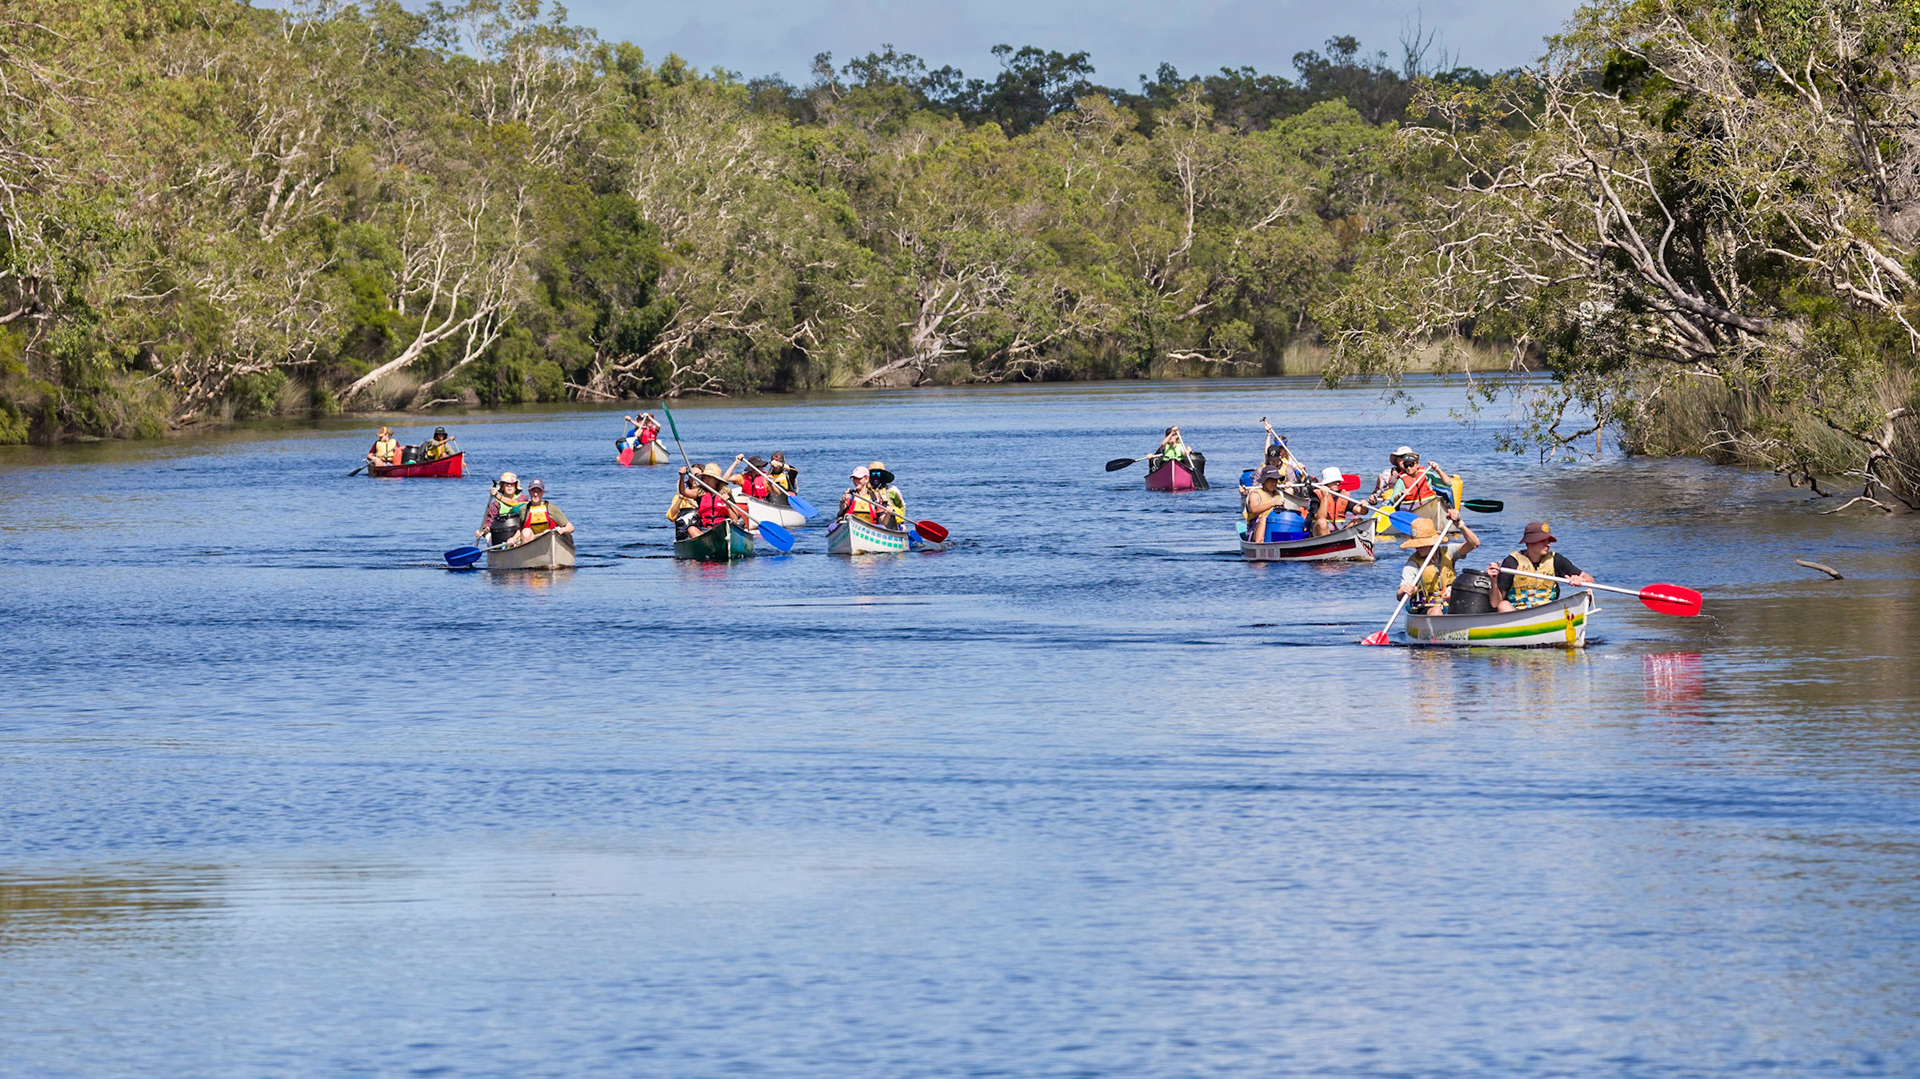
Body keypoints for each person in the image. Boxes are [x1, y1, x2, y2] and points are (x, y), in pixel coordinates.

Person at [1489, 521, 1593, 612]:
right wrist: (1494, 580)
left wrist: (1579, 580)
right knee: (1503, 606)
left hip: (1547, 611)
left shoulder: (1556, 560)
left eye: (1549, 541)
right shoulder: (1512, 562)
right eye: (1543, 540)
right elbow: (1495, 603)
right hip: (1517, 613)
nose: (1548, 544)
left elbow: (1590, 580)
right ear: (1529, 542)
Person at [1396, 509, 1480, 615]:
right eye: (1416, 544)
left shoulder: (1448, 552)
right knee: (1436, 611)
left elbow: (1474, 544)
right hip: (1426, 608)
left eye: (1421, 544)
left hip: (1451, 604)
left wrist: (1459, 524)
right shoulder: (1413, 563)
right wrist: (1404, 590)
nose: (1417, 547)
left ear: (1432, 543)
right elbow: (1399, 595)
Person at [686, 463, 750, 539]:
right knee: (691, 529)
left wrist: (727, 503)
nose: (706, 479)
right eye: (705, 477)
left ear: (716, 480)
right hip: (706, 530)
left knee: (725, 526)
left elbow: (735, 520)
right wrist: (682, 476)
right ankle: (707, 543)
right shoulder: (701, 494)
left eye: (709, 477)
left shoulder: (726, 494)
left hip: (722, 529)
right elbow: (683, 492)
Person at [506, 479, 574, 547]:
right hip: (530, 545)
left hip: (549, 544)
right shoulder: (524, 509)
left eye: (539, 491)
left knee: (547, 532)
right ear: (529, 492)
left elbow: (570, 527)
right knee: (526, 531)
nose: (535, 494)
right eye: (533, 491)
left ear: (543, 492)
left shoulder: (551, 508)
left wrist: (562, 529)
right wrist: (513, 539)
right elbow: (520, 530)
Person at [1242, 466, 1293, 542]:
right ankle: (1259, 544)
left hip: (1275, 525)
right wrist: (1273, 504)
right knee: (1263, 519)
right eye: (1271, 481)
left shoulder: (1279, 493)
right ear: (1264, 481)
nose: (1274, 483)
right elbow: (1254, 509)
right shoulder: (1255, 494)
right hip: (1256, 527)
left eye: (1275, 480)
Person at [477, 472, 527, 545]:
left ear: (516, 486)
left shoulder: (523, 498)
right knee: (488, 536)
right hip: (501, 535)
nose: (509, 486)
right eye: (506, 484)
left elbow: (514, 503)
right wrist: (483, 531)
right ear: (502, 487)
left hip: (518, 533)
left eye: (512, 484)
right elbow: (488, 522)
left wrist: (497, 496)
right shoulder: (496, 504)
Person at [1309, 465, 1360, 537]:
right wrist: (1324, 497)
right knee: (1322, 522)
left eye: (1338, 481)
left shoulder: (1342, 496)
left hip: (1338, 533)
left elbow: (1361, 511)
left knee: (1358, 520)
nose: (1338, 483)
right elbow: (1320, 517)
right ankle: (1327, 545)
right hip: (1320, 533)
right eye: (1334, 481)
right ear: (1327, 483)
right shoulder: (1316, 496)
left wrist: (1364, 505)